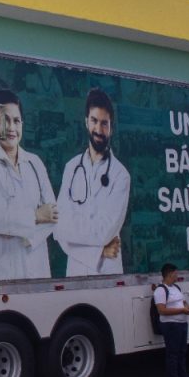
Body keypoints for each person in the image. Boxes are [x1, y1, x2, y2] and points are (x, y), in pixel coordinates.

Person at [0, 89, 58, 281]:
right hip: (2, 272)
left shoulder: (35, 162)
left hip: (37, 270)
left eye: (16, 121)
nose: (12, 127)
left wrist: (27, 236)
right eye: (5, 120)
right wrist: (36, 215)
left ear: (22, 124)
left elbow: (53, 214)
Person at [55, 87, 130, 276]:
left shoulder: (121, 175)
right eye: (94, 121)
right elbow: (59, 227)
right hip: (76, 273)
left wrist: (72, 227)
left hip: (107, 274)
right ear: (86, 122)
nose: (99, 129)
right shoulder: (71, 168)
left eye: (104, 123)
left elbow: (104, 232)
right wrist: (99, 252)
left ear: (111, 127)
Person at [154, 262, 189, 377]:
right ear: (169, 274)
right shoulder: (160, 290)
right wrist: (181, 311)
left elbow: (183, 301)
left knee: (182, 353)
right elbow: (161, 310)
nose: (177, 276)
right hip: (171, 325)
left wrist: (188, 307)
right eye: (175, 274)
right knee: (172, 354)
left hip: (182, 324)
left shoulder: (176, 287)